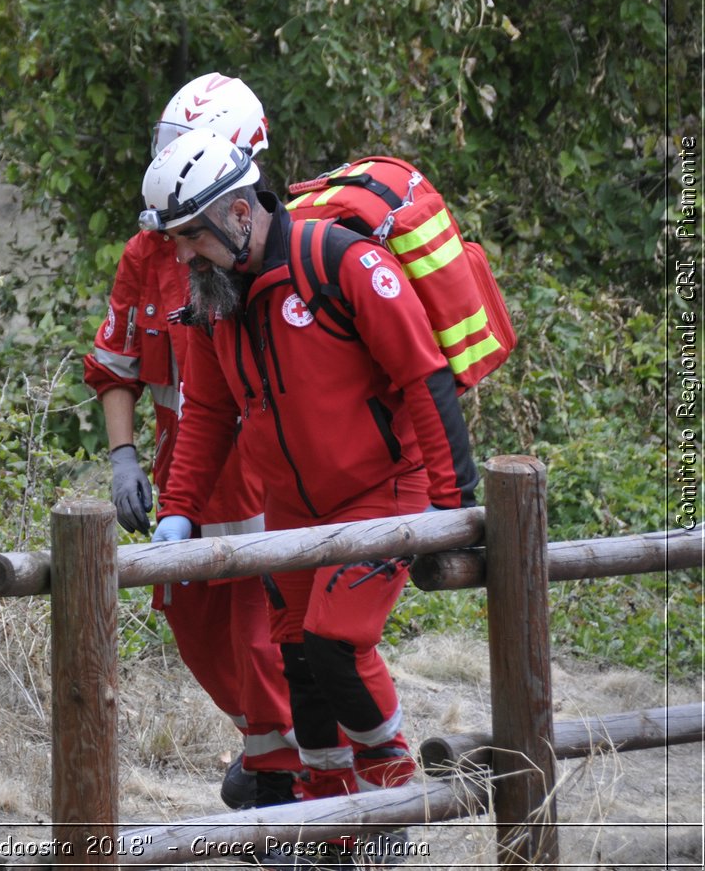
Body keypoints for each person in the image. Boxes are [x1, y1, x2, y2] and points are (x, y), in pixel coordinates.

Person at [147, 126, 479, 869]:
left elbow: (424, 374)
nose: (182, 257)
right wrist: (178, 510)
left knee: (334, 640)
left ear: (238, 213)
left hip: (383, 489)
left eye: (190, 237)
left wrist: (451, 506)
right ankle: (329, 816)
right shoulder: (215, 297)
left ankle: (392, 797)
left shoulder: (341, 263)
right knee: (297, 653)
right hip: (292, 509)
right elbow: (206, 414)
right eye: (174, 241)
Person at [85, 73, 300, 810]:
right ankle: (274, 756)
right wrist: (123, 459)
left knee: (265, 639)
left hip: (265, 481)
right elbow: (115, 362)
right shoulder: (149, 253)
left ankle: (298, 782)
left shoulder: (272, 252)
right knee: (199, 631)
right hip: (188, 473)